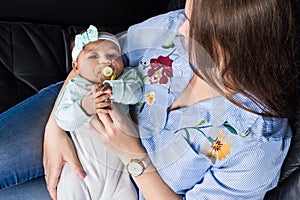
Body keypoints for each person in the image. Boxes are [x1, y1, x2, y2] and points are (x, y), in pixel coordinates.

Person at [0, 0, 297, 199]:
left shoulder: (256, 144)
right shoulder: (172, 29)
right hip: (75, 107)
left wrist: (134, 156)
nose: (181, 26)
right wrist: (55, 126)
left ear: (234, 44)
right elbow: (94, 59)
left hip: (119, 188)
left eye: (194, 24)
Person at [54, 25, 142, 199]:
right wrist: (85, 107)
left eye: (112, 55)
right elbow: (62, 120)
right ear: (76, 67)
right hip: (81, 173)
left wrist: (113, 89)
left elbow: (136, 93)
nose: (105, 61)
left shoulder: (126, 79)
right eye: (93, 56)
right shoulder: (76, 87)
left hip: (119, 176)